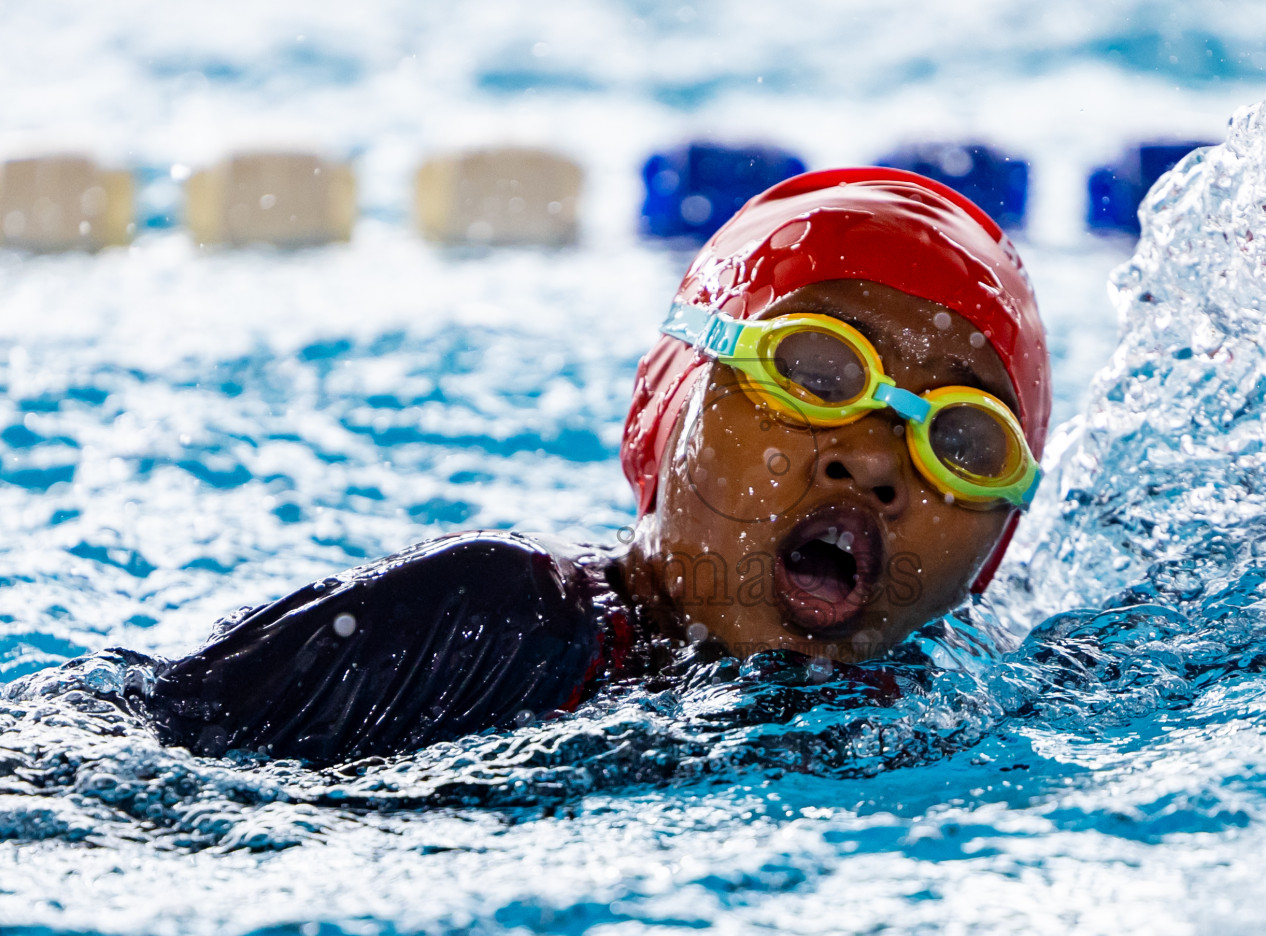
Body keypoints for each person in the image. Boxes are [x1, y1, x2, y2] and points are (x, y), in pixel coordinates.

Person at [125, 167, 1051, 765]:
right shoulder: (494, 616)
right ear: (662, 407)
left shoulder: (992, 702)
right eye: (814, 372)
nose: (877, 461)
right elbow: (102, 760)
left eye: (964, 443)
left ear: (991, 557)